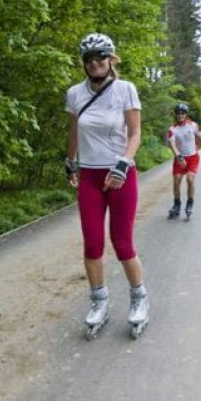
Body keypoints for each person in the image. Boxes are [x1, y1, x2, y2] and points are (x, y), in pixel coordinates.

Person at [64, 32, 148, 338]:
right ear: (84, 64)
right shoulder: (75, 94)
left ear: (111, 60)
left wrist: (123, 163)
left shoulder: (125, 89)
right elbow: (74, 131)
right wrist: (70, 160)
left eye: (101, 57)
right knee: (92, 244)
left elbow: (136, 133)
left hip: (120, 175)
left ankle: (139, 299)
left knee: (122, 243)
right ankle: (99, 302)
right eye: (89, 59)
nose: (95, 63)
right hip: (89, 175)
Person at [166, 102, 201, 218]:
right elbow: (172, 144)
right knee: (177, 181)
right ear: (176, 115)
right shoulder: (172, 129)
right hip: (180, 158)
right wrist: (179, 156)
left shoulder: (193, 125)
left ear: (186, 114)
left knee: (190, 179)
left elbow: (199, 139)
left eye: (183, 113)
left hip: (192, 157)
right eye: (178, 113)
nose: (180, 115)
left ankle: (190, 203)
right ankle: (177, 204)